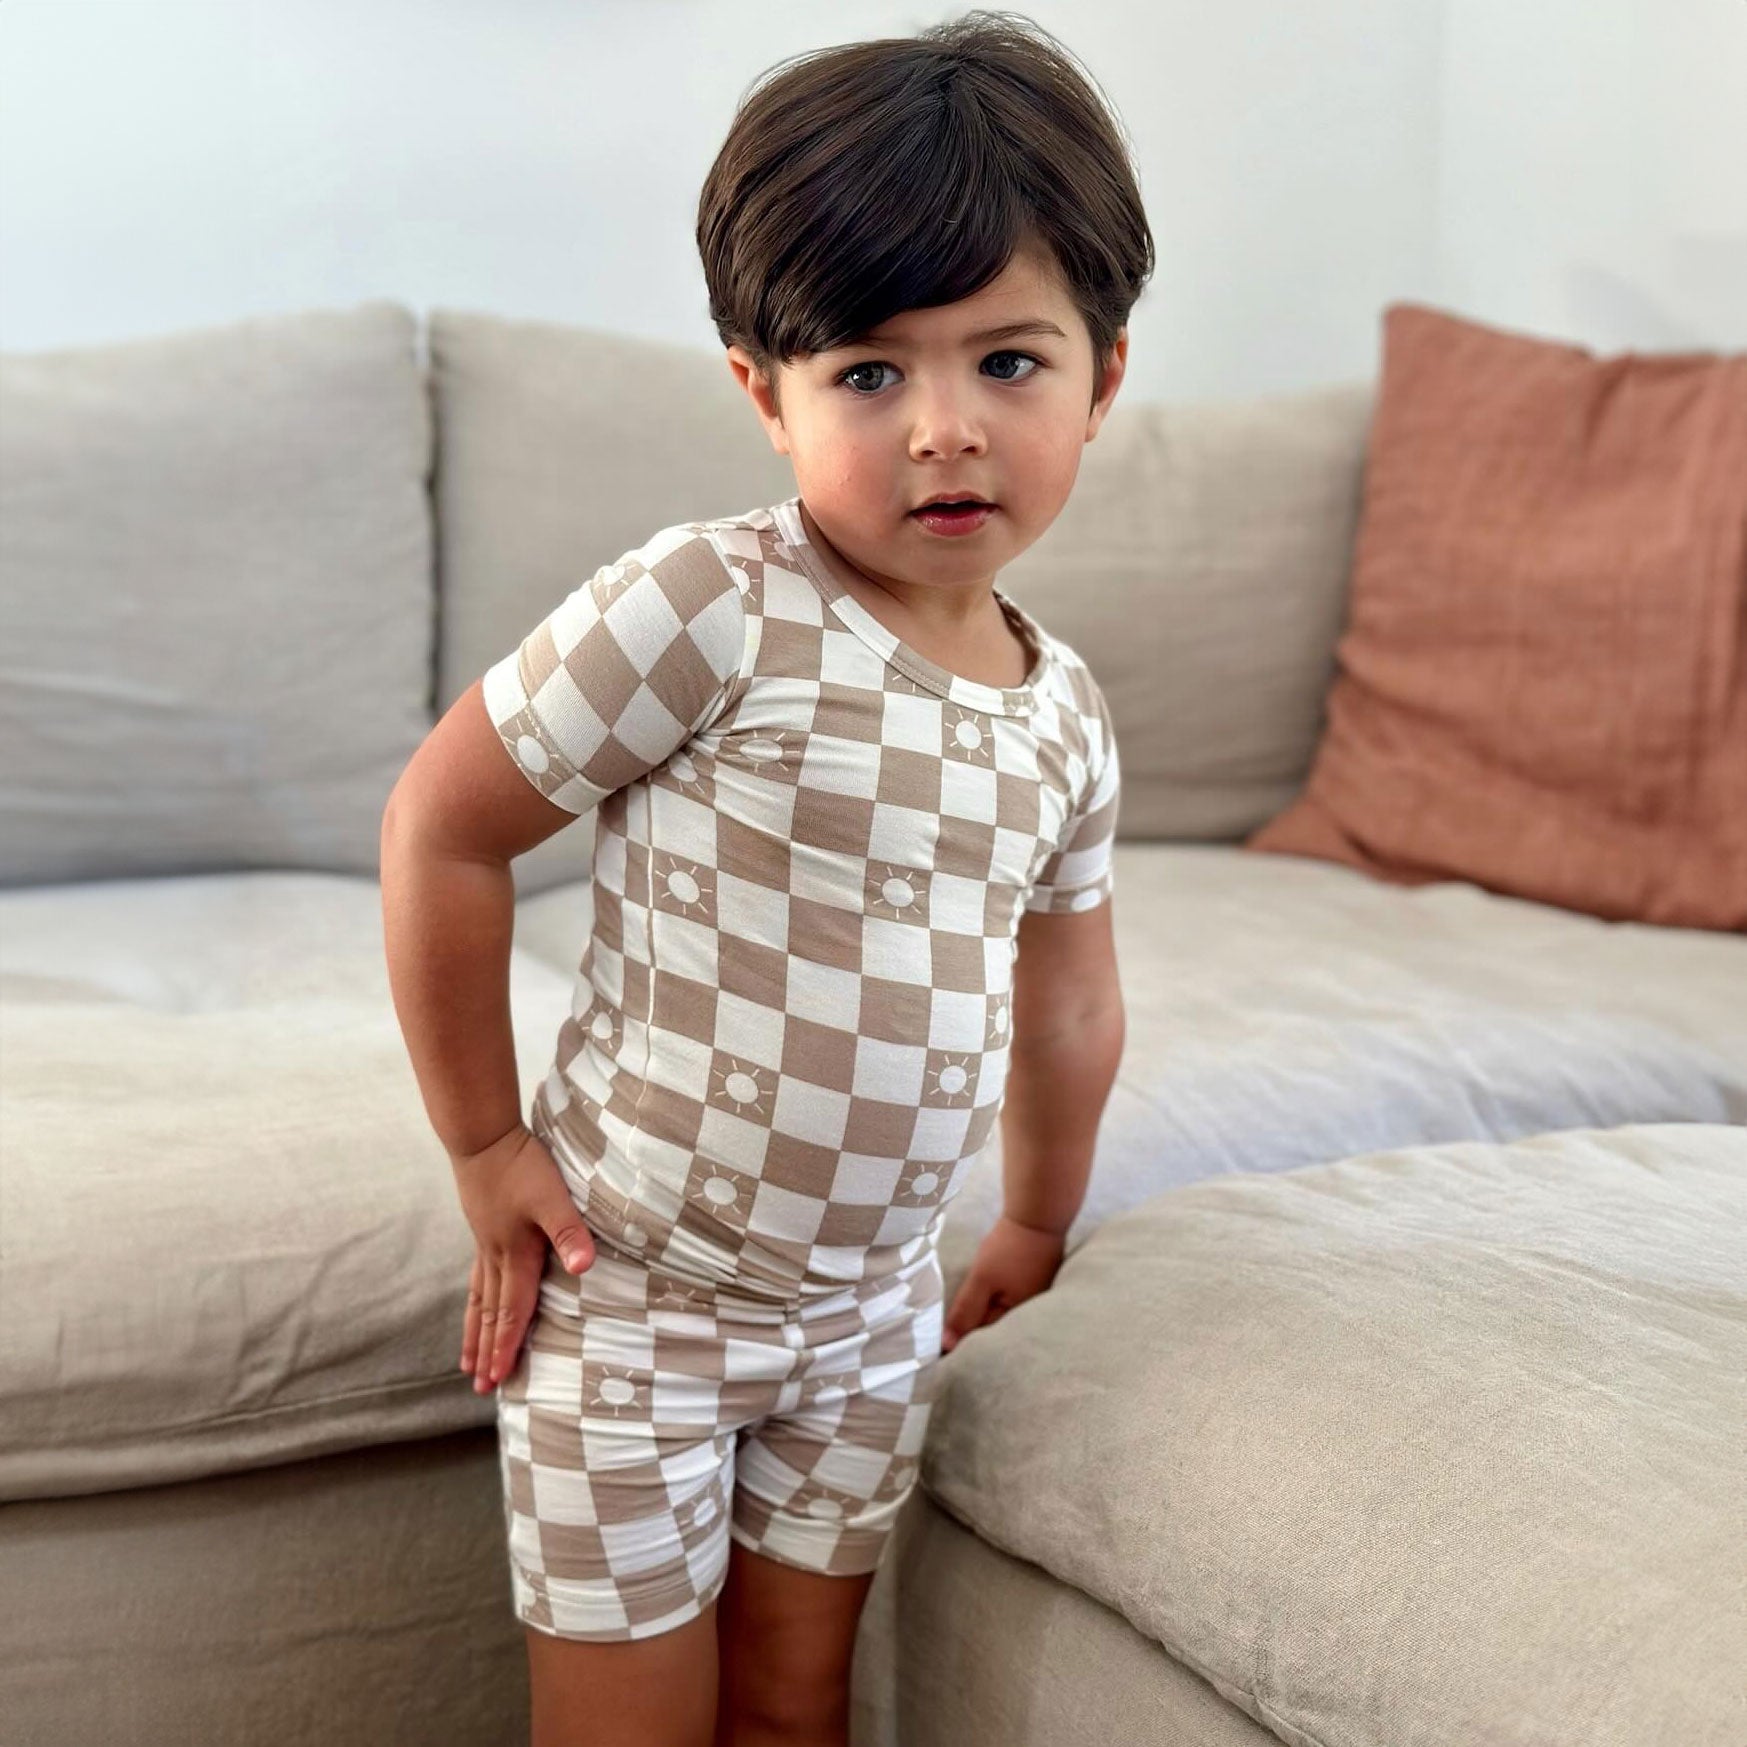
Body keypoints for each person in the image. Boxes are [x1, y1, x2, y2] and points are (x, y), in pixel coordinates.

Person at [381, 10, 1151, 1744]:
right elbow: (444, 824)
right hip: (635, 1299)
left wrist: (1034, 1215)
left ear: (1106, 372)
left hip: (872, 1317)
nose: (944, 430)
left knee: (798, 1714)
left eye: (1007, 363)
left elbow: (1072, 995)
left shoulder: (1069, 717)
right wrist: (485, 1143)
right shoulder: (712, 608)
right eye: (870, 373)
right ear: (764, 391)